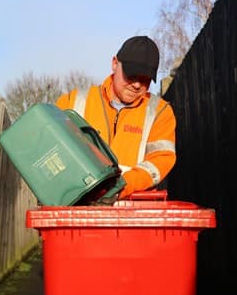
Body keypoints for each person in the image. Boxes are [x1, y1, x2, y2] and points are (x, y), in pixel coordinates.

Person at [55, 35, 176, 199]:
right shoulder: (72, 102)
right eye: (132, 75)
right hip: (78, 205)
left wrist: (122, 186)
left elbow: (160, 159)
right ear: (114, 64)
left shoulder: (160, 112)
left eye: (145, 79)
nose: (137, 85)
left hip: (136, 213)